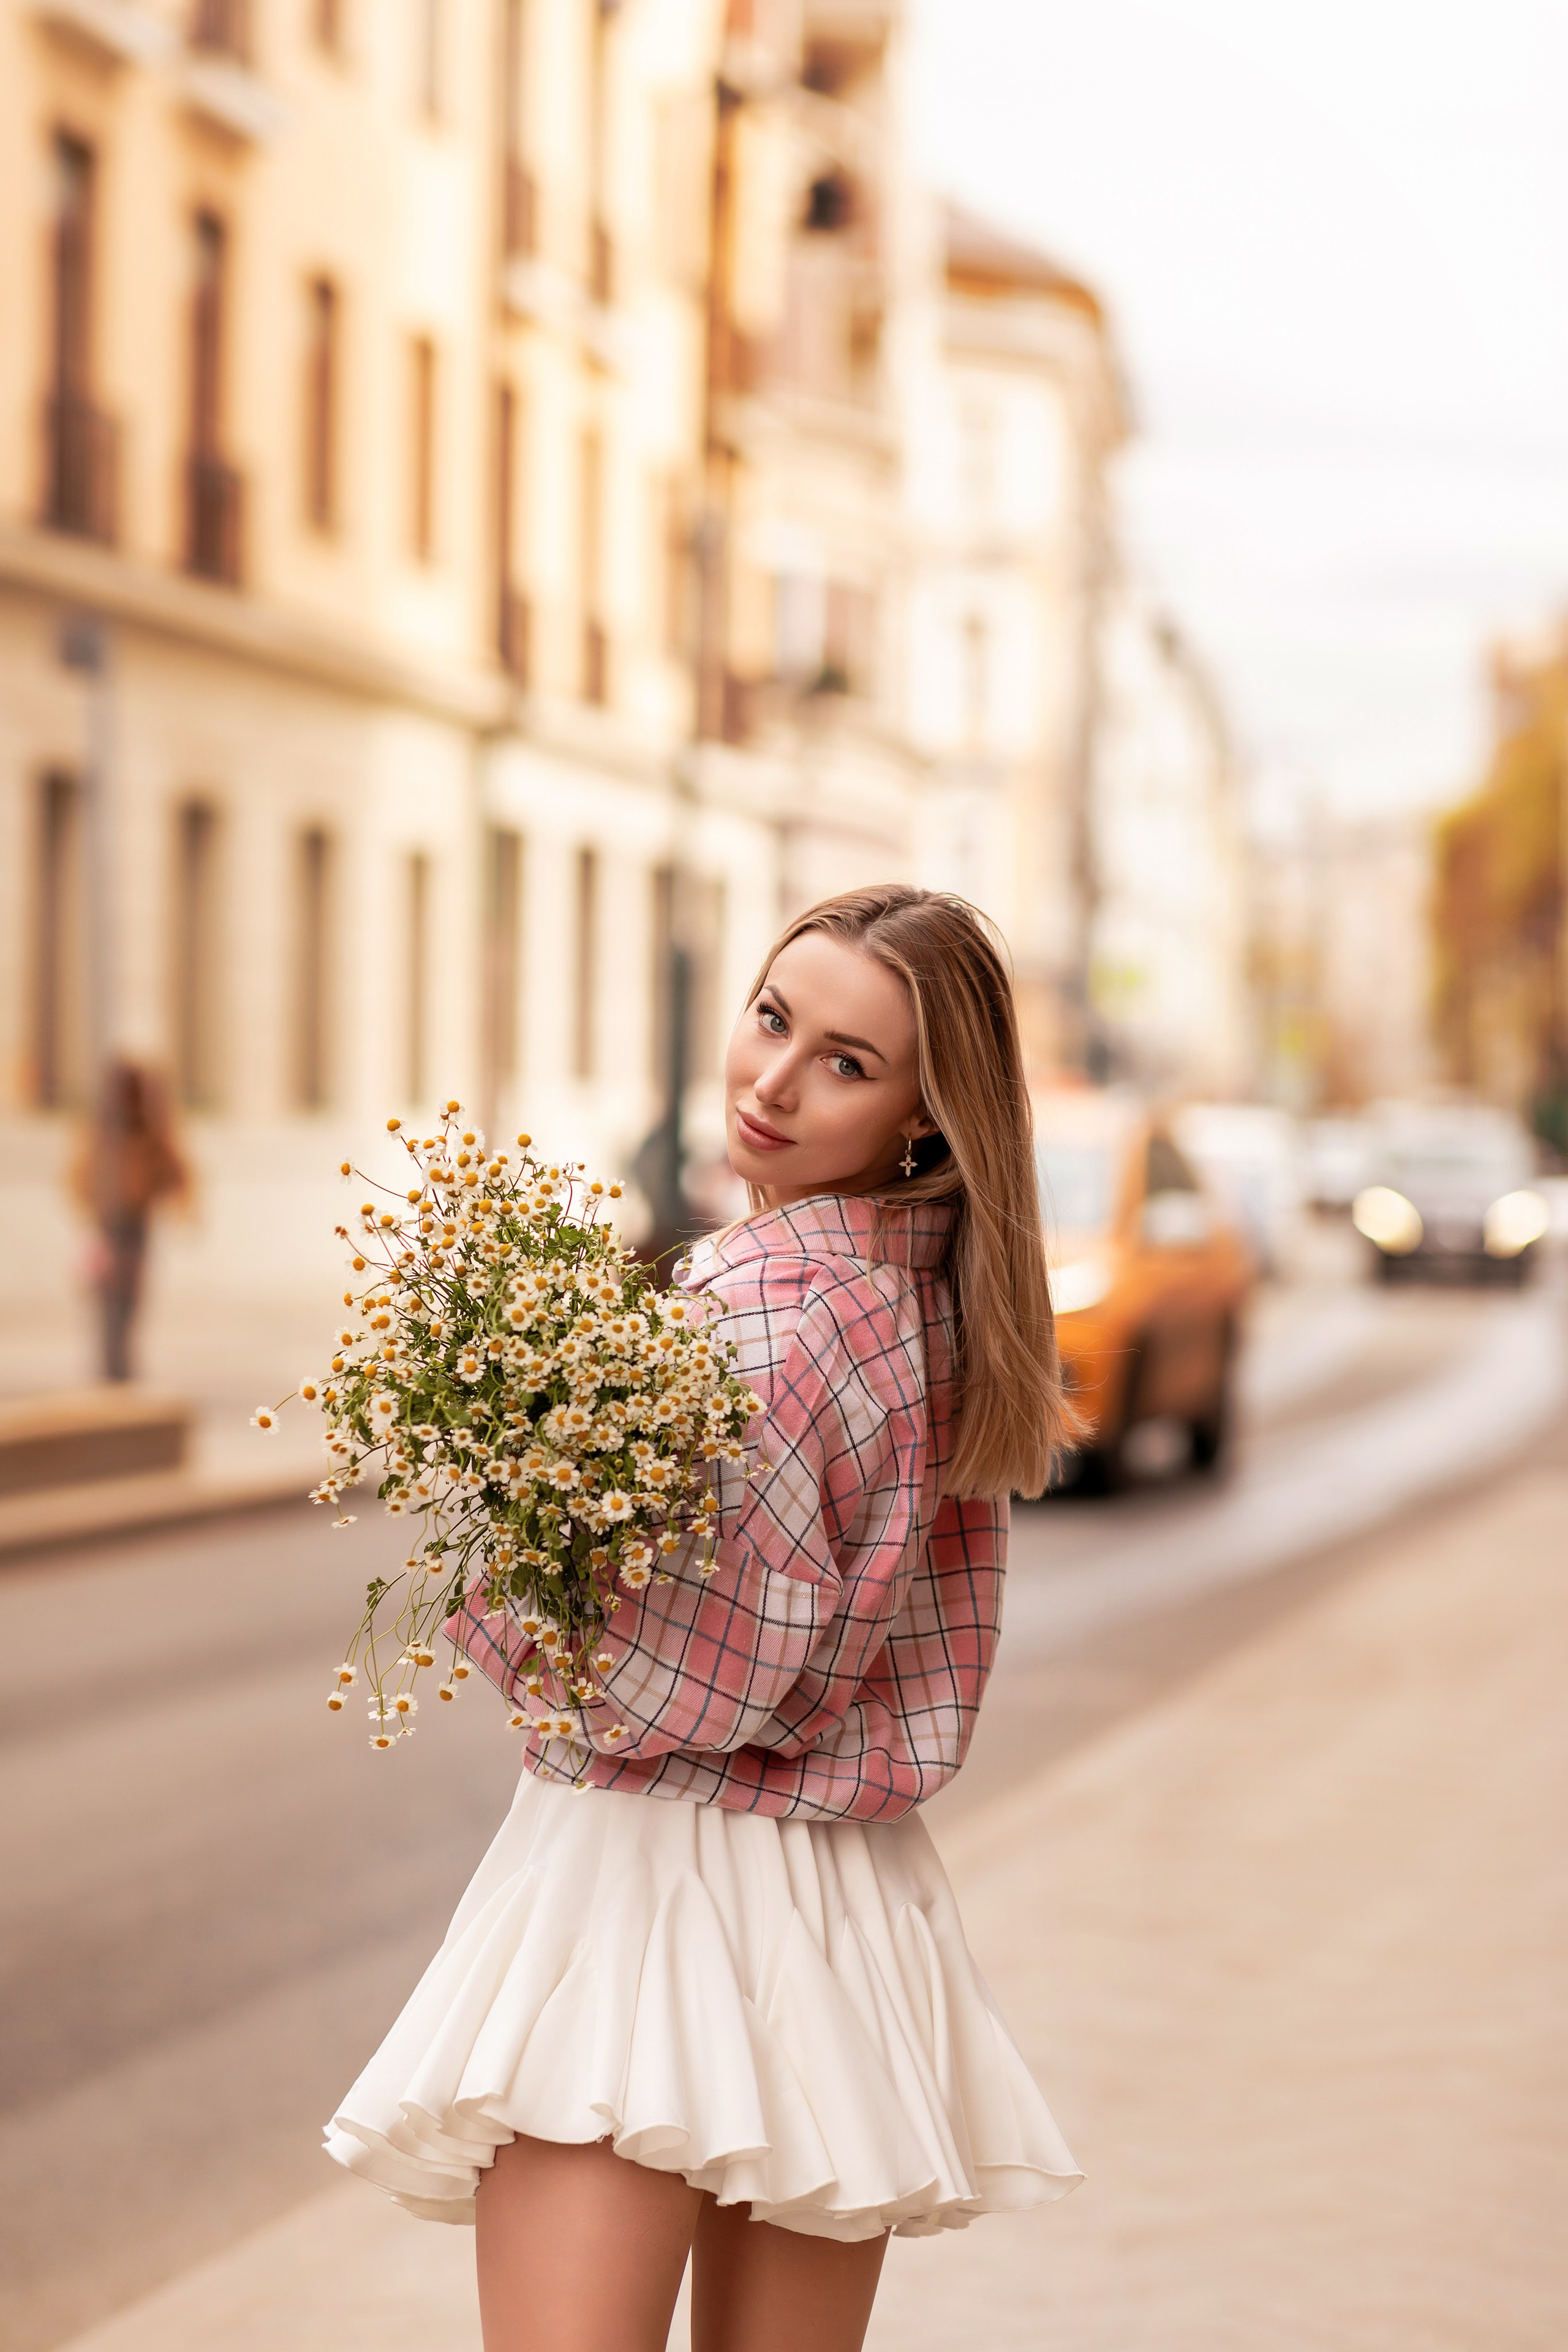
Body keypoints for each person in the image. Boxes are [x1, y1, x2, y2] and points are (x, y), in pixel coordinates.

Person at [325, 886, 1083, 2351]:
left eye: (847, 1061)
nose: (774, 1081)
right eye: (772, 1017)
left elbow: (663, 1686)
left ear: (927, 1115)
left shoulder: (767, 1312)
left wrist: (506, 1565)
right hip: (840, 1902)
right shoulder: (926, 1307)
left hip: (654, 1885)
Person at [71, 1060, 189, 1383]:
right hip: (107, 1223)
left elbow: (171, 1169)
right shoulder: (102, 1133)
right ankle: (112, 1359)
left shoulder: (147, 1129)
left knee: (130, 1293)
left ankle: (119, 1357)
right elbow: (81, 1174)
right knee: (107, 1292)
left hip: (136, 1223)